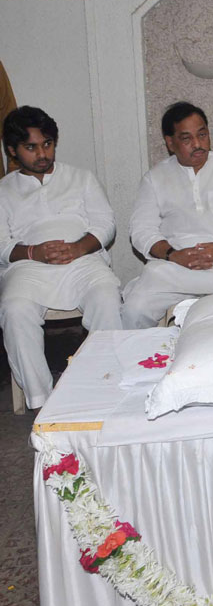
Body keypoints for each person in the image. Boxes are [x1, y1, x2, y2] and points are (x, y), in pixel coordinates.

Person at [0, 107, 122, 409]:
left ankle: (106, 385)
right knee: (15, 310)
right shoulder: (4, 190)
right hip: (29, 266)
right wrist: (33, 252)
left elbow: (105, 223)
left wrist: (79, 247)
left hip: (82, 260)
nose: (42, 153)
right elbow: (2, 243)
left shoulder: (81, 178)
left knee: (106, 296)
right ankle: (43, 399)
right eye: (31, 147)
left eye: (48, 144)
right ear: (13, 150)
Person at [122, 102, 213, 329]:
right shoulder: (155, 178)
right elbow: (141, 230)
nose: (198, 144)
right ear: (170, 143)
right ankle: (147, 362)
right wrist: (173, 255)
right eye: (187, 138)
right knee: (134, 309)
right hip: (176, 269)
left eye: (202, 134)